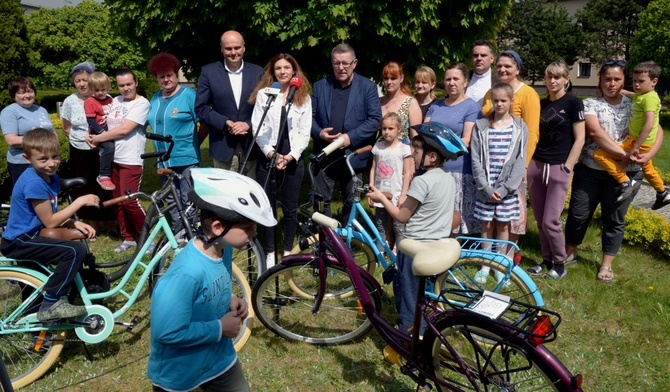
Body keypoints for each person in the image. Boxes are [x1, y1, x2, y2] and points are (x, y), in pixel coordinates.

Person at [148, 168, 277, 392]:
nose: (254, 233)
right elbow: (166, 332)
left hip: (219, 360)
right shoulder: (186, 273)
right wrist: (219, 328)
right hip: (180, 372)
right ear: (218, 227)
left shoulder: (223, 249)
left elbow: (211, 287)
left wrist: (230, 298)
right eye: (247, 227)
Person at [564, 60, 664, 283]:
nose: (612, 83)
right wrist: (623, 153)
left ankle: (606, 264)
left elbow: (657, 130)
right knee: (579, 214)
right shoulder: (589, 103)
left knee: (614, 218)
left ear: (624, 81)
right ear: (600, 80)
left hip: (627, 173)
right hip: (591, 170)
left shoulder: (636, 101)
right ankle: (569, 253)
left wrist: (647, 156)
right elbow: (595, 132)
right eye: (607, 79)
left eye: (617, 79)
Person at [368, 122, 461, 333]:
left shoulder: (422, 182)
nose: (413, 155)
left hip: (415, 248)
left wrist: (382, 197)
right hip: (437, 244)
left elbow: (401, 216)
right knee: (425, 292)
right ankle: (426, 326)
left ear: (433, 157)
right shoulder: (447, 177)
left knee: (408, 296)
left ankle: (407, 337)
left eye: (417, 151)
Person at [0, 129, 98, 320]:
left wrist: (72, 223)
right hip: (20, 241)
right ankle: (52, 302)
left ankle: (38, 337)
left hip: (31, 236)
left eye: (55, 157)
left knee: (33, 287)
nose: (51, 163)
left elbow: (49, 214)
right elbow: (50, 221)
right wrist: (78, 202)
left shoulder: (49, 177)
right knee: (74, 251)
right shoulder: (34, 182)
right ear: (27, 159)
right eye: (43, 159)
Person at [249, 53, 312, 267]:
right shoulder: (265, 94)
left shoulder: (304, 97)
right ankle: (269, 252)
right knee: (267, 206)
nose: (282, 71)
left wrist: (291, 156)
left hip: (292, 158)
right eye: (278, 68)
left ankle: (287, 251)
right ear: (273, 72)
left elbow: (305, 132)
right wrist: (270, 153)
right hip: (268, 156)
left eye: (287, 68)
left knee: (290, 208)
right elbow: (257, 127)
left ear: (294, 71)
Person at [526, 61, 585, 279]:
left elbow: (580, 139)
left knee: (551, 220)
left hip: (559, 166)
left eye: (557, 77)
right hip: (537, 165)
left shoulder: (573, 103)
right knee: (540, 219)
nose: (553, 81)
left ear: (566, 80)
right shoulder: (540, 104)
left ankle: (560, 263)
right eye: (549, 77)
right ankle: (546, 259)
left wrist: (568, 167)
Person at [311, 43, 382, 221]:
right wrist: (320, 133)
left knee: (352, 201)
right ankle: (326, 240)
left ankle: (347, 242)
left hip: (353, 154)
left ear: (354, 63)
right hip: (325, 153)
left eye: (345, 63)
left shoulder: (367, 87)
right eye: (337, 63)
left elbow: (375, 120)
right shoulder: (320, 86)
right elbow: (307, 119)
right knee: (321, 200)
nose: (341, 67)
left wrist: (350, 137)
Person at [87, 67, 150, 253]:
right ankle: (128, 238)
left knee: (130, 200)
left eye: (129, 84)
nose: (126, 88)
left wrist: (98, 139)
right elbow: (101, 121)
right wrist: (88, 134)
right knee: (117, 201)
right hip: (111, 158)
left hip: (131, 159)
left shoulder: (142, 103)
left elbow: (124, 130)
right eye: (121, 85)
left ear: (136, 83)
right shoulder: (115, 100)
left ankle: (147, 239)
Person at [592, 61, 670, 209]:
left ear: (654, 81)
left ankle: (625, 181)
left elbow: (649, 125)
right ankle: (662, 192)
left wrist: (636, 147)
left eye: (641, 81)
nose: (636, 85)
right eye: (634, 81)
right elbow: (628, 93)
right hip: (638, 140)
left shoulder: (650, 98)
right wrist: (612, 89)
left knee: (600, 155)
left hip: (638, 141)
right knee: (647, 167)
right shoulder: (641, 96)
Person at [481, 50, 541, 242]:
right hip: (492, 160)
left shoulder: (528, 93)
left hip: (515, 162)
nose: (502, 69)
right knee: (490, 212)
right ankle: (489, 255)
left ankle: (508, 254)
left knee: (512, 212)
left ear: (517, 69)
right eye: (499, 66)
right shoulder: (491, 93)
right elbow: (485, 115)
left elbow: (531, 133)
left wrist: (524, 165)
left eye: (508, 66)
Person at [471, 83, 527, 284]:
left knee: (503, 226)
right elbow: (475, 158)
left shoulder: (519, 127)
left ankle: (500, 264)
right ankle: (486, 265)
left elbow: (520, 160)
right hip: (486, 187)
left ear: (511, 101)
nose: (500, 104)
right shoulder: (482, 126)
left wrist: (505, 189)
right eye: (496, 100)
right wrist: (485, 188)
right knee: (486, 225)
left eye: (504, 100)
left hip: (506, 190)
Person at [195, 30, 263, 179]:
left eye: (237, 48)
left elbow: (265, 108)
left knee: (251, 190)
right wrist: (225, 122)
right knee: (225, 192)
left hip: (251, 143)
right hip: (222, 142)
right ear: (221, 49)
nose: (233, 52)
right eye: (228, 48)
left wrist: (248, 124)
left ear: (244, 47)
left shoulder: (258, 72)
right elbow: (201, 107)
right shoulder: (209, 72)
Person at [147, 52, 201, 236]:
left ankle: (194, 238)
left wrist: (195, 141)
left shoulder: (189, 96)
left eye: (169, 75)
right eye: (161, 76)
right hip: (163, 161)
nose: (166, 79)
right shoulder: (154, 98)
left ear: (176, 74)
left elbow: (205, 122)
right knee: (172, 202)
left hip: (186, 158)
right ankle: (179, 239)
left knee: (188, 201)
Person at [425, 63, 481, 235]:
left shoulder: (472, 107)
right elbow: (425, 132)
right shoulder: (436, 106)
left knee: (457, 217)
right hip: (434, 169)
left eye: (456, 79)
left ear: (465, 82)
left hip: (458, 169)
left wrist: (440, 148)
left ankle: (457, 253)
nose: (451, 83)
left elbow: (467, 140)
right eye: (448, 79)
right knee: (436, 213)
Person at [61, 61, 115, 226]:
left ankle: (110, 220)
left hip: (102, 148)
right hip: (79, 150)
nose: (82, 84)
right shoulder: (70, 101)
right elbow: (66, 127)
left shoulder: (105, 98)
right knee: (84, 185)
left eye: (85, 79)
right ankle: (92, 222)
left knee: (104, 184)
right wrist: (81, 137)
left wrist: (97, 139)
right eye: (78, 80)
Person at [369, 113, 412, 248]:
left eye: (390, 128)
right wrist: (371, 189)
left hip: (397, 193)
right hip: (380, 192)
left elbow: (407, 172)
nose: (386, 132)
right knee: (380, 224)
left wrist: (404, 195)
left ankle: (399, 252)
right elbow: (373, 169)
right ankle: (381, 251)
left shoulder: (404, 149)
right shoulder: (378, 147)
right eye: (384, 128)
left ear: (399, 129)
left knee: (398, 226)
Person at [1, 77, 54, 183]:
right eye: (22, 93)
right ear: (14, 96)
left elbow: (53, 134)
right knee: (29, 194)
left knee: (46, 192)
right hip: (23, 163)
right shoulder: (9, 111)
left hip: (46, 160)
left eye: (30, 91)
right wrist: (41, 141)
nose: (27, 95)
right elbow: (11, 140)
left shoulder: (41, 110)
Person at [84, 71, 116, 191]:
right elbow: (91, 122)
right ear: (91, 89)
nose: (100, 93)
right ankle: (103, 175)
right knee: (109, 147)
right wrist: (103, 134)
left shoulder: (110, 99)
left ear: (108, 87)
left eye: (103, 89)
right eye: (96, 90)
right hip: (97, 131)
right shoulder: (90, 102)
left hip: (108, 129)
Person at [380, 61, 422, 144]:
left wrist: (412, 155)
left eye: (393, 78)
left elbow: (415, 135)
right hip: (379, 151)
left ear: (401, 78)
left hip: (402, 153)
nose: (389, 82)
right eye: (386, 78)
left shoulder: (410, 102)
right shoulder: (378, 102)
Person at [465, 39, 500, 107]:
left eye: (483, 55)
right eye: (475, 55)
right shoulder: (464, 78)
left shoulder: (499, 80)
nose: (479, 58)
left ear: (492, 59)